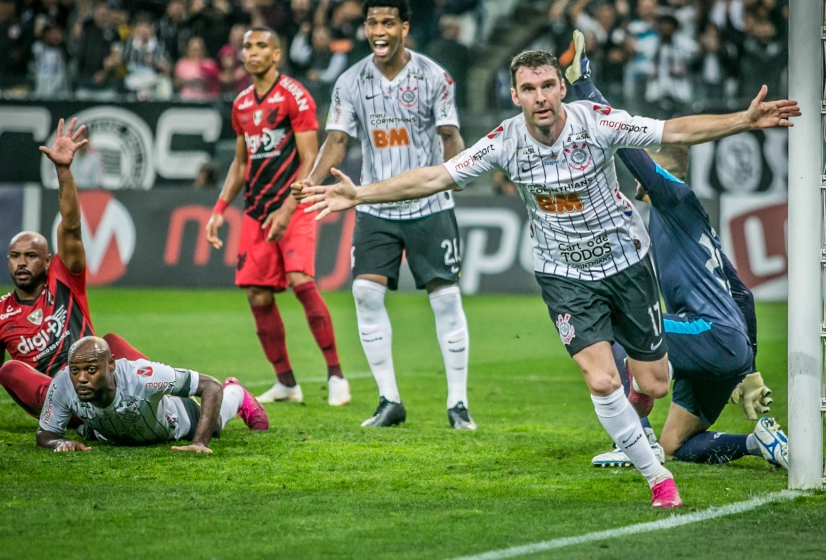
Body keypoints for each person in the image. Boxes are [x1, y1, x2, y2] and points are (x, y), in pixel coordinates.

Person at [300, 40, 800, 508]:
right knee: (602, 380)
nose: (540, 98)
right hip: (563, 276)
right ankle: (658, 479)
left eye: (548, 86)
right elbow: (436, 175)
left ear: (562, 87)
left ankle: (644, 423)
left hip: (626, 265)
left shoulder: (598, 122)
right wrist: (359, 193)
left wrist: (744, 120)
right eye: (529, 89)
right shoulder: (504, 141)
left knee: (655, 382)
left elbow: (675, 131)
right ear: (515, 95)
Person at [564, 31, 786, 469]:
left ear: (659, 171)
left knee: (616, 324)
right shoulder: (686, 219)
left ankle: (635, 440)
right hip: (724, 345)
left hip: (709, 334)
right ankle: (758, 444)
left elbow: (623, 143)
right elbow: (743, 294)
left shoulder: (674, 197)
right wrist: (749, 370)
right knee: (676, 445)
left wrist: (585, 87)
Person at [293, 0, 476, 431]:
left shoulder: (435, 77)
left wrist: (461, 171)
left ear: (404, 28)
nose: (380, 30)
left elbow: (450, 137)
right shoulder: (351, 81)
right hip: (374, 205)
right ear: (365, 29)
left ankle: (458, 405)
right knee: (364, 293)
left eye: (388, 22)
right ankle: (389, 400)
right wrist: (311, 183)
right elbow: (337, 141)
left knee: (446, 300)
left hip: (430, 203)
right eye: (373, 23)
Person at [0, 118, 148, 428]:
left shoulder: (65, 280)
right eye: (15, 256)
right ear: (7, 262)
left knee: (111, 341)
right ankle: (80, 417)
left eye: (31, 256)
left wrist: (63, 171)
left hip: (95, 382)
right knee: (8, 372)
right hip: (58, 400)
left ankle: (162, 394)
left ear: (47, 262)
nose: (22, 263)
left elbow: (70, 227)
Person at [205, 26, 350, 408]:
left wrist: (288, 208)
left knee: (302, 282)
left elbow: (310, 160)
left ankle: (336, 375)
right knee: (257, 294)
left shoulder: (295, 96)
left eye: (261, 46)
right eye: (247, 46)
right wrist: (219, 211)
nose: (252, 52)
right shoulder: (240, 104)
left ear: (276, 55)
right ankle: (286, 382)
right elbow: (240, 164)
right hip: (256, 210)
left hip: (295, 204)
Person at [36, 336, 268, 452]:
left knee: (215, 423)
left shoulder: (143, 376)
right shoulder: (63, 384)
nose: (82, 379)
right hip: (114, 432)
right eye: (75, 370)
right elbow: (45, 434)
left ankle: (237, 391)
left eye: (91, 370)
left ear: (111, 366)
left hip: (175, 420)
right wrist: (62, 442)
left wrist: (199, 442)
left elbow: (211, 386)